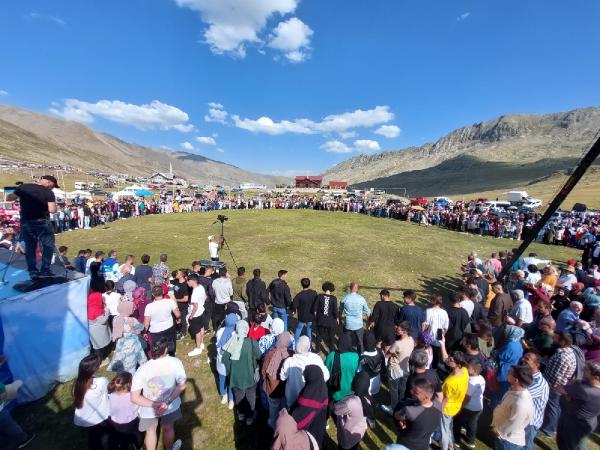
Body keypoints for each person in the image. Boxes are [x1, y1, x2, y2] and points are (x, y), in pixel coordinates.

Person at [131, 337, 186, 450]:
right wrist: (166, 403)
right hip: (170, 405)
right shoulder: (175, 362)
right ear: (165, 350)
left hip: (149, 409)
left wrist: (155, 404)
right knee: (168, 428)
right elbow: (182, 385)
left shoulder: (142, 369)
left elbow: (134, 397)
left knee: (150, 431)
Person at [7, 175, 58, 279]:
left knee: (30, 247)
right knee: (48, 246)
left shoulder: (23, 187)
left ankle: (33, 271)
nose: (52, 188)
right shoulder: (48, 192)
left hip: (26, 222)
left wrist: (19, 193)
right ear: (48, 182)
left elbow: (9, 198)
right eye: (53, 185)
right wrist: (55, 207)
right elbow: (52, 210)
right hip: (42, 222)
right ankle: (45, 270)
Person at [222, 320, 261, 425]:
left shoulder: (231, 342)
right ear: (247, 329)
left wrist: (231, 371)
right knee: (251, 396)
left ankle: (241, 414)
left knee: (239, 396)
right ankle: (250, 417)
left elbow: (224, 359)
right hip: (250, 377)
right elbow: (259, 356)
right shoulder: (252, 342)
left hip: (236, 378)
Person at [556, 361, 600, 450]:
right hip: (588, 423)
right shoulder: (590, 386)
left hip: (573, 424)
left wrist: (568, 392)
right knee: (580, 443)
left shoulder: (585, 390)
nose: (583, 370)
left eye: (586, 370)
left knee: (566, 445)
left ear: (595, 377)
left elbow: (559, 388)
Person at [540, 332, 577, 437]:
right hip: (558, 386)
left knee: (552, 407)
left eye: (556, 338)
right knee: (555, 407)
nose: (553, 340)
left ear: (563, 341)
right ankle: (553, 426)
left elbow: (557, 376)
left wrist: (550, 386)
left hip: (554, 387)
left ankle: (548, 430)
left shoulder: (562, 357)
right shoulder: (569, 353)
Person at [491, 365, 535, 450]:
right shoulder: (513, 390)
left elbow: (513, 424)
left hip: (507, 441)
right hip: (503, 436)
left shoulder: (521, 403)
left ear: (516, 380)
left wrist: (497, 431)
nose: (507, 373)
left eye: (509, 372)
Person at [73, 354, 111, 450]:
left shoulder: (76, 384)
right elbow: (109, 392)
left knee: (93, 438)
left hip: (84, 419)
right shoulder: (101, 381)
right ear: (94, 369)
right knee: (105, 441)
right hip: (100, 419)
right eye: (98, 365)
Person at [392, 379, 443, 450]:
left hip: (406, 444)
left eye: (415, 392)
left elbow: (396, 416)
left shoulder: (410, 411)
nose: (411, 391)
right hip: (424, 445)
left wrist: (402, 418)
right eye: (413, 389)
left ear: (426, 397)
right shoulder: (439, 406)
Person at [280, 336, 330, 408]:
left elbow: (282, 377)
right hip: (311, 399)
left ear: (296, 346)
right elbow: (326, 376)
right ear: (309, 347)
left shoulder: (289, 361)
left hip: (293, 398)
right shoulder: (316, 358)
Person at [291, 365, 329, 449]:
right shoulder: (322, 386)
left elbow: (302, 414)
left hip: (309, 427)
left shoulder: (309, 392)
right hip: (320, 421)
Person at [439, 343, 469, 450]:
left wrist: (439, 410)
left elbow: (445, 399)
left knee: (444, 430)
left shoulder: (450, 382)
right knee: (449, 427)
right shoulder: (464, 371)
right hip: (456, 406)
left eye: (451, 359)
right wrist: (443, 343)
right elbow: (445, 359)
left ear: (457, 364)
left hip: (446, 408)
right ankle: (451, 446)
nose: (449, 359)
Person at [382, 321, 415, 415]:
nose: (396, 329)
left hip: (395, 369)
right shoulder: (411, 340)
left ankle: (393, 407)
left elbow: (387, 354)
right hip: (405, 368)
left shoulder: (397, 343)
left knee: (394, 389)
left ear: (404, 331)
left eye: (399, 329)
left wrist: (389, 351)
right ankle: (401, 404)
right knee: (402, 388)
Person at [262, 331, 293, 428]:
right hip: (285, 388)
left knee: (273, 407)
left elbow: (264, 370)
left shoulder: (270, 353)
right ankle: (283, 425)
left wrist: (265, 379)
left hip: (272, 387)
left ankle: (273, 423)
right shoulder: (291, 354)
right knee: (284, 407)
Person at [333, 370, 369, 450]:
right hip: (359, 432)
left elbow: (336, 409)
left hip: (347, 437)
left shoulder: (351, 402)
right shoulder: (368, 398)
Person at [452, 360, 485, 449]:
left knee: (457, 422)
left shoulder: (471, 382)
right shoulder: (481, 378)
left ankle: (456, 440)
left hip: (468, 408)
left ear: (474, 370)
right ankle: (470, 441)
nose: (467, 368)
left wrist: (460, 408)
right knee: (472, 423)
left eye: (469, 367)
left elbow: (467, 398)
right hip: (478, 407)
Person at [108, 301, 147, 374]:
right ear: (127, 309)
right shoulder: (132, 320)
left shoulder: (115, 319)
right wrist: (136, 329)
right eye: (132, 308)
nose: (133, 309)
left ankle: (122, 372)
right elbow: (141, 327)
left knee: (122, 357)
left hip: (120, 342)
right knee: (133, 360)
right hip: (131, 343)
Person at [522, 350, 549, 450]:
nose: (523, 360)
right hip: (523, 417)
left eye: (527, 359)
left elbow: (520, 395)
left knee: (525, 446)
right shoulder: (526, 375)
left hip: (530, 422)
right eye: (524, 357)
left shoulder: (539, 383)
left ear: (536, 365)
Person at [108, 372, 142, 450]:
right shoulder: (133, 397)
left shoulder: (111, 395)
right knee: (136, 438)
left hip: (115, 424)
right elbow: (138, 409)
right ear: (128, 384)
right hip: (131, 423)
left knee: (122, 441)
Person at [144, 285, 181, 356]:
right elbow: (178, 314)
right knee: (170, 345)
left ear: (152, 294)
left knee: (159, 349)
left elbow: (146, 323)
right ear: (163, 292)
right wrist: (178, 319)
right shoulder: (170, 301)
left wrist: (144, 332)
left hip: (155, 331)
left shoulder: (149, 307)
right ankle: (172, 356)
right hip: (169, 327)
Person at [325, 334, 359, 402]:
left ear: (338, 343)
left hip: (334, 393)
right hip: (349, 393)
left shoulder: (331, 356)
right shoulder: (355, 357)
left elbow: (325, 372)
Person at [216, 313, 239, 409]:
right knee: (231, 381)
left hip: (221, 360)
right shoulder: (236, 334)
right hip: (231, 362)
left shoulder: (220, 331)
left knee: (222, 378)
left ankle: (224, 395)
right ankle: (231, 400)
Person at [340, 282, 370, 353]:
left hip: (348, 324)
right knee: (360, 341)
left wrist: (339, 318)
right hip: (358, 324)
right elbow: (367, 311)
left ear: (350, 288)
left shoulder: (345, 298)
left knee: (347, 340)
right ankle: (361, 354)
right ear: (357, 289)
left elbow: (340, 310)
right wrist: (368, 322)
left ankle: (346, 353)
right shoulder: (361, 299)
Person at [423, 294, 449, 369]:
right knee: (437, 352)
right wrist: (442, 335)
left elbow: (425, 325)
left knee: (428, 352)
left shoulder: (428, 311)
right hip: (440, 332)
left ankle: (428, 366)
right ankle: (434, 367)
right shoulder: (444, 312)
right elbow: (445, 327)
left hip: (429, 333)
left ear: (434, 301)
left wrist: (423, 334)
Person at [313, 281, 339, 354]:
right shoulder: (334, 298)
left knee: (319, 336)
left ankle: (317, 350)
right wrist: (337, 318)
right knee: (331, 337)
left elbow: (315, 310)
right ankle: (331, 351)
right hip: (331, 322)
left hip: (321, 320)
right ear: (331, 289)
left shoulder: (319, 296)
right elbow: (335, 311)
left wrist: (316, 318)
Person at [186, 273, 209, 357]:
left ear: (193, 281)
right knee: (201, 327)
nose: (187, 282)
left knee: (197, 332)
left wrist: (191, 316)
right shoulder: (201, 287)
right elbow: (205, 297)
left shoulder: (194, 293)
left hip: (196, 315)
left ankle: (198, 348)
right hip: (202, 311)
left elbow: (195, 307)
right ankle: (202, 343)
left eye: (188, 281)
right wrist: (201, 304)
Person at [88, 288, 112, 362]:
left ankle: (99, 358)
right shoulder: (96, 310)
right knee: (101, 346)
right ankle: (101, 360)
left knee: (97, 346)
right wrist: (107, 312)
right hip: (99, 332)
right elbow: (102, 321)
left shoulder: (89, 308)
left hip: (93, 331)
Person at [359, 332, 385, 397]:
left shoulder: (363, 357)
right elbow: (383, 366)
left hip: (367, 382)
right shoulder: (380, 352)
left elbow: (359, 371)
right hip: (377, 379)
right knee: (374, 395)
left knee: (367, 397)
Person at [292, 277, 317, 344]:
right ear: (309, 284)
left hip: (302, 316)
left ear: (301, 285)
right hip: (311, 316)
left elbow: (294, 305)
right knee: (309, 330)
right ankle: (309, 346)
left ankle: (295, 343)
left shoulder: (299, 295)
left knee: (299, 329)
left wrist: (293, 310)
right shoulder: (314, 293)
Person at [171, 269, 190, 339]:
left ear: (181, 275)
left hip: (182, 306)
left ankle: (183, 333)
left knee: (182, 319)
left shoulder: (185, 285)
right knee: (175, 319)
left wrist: (176, 300)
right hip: (175, 306)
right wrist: (166, 278)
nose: (176, 274)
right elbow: (168, 282)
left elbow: (186, 299)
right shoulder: (176, 281)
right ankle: (177, 331)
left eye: (177, 273)